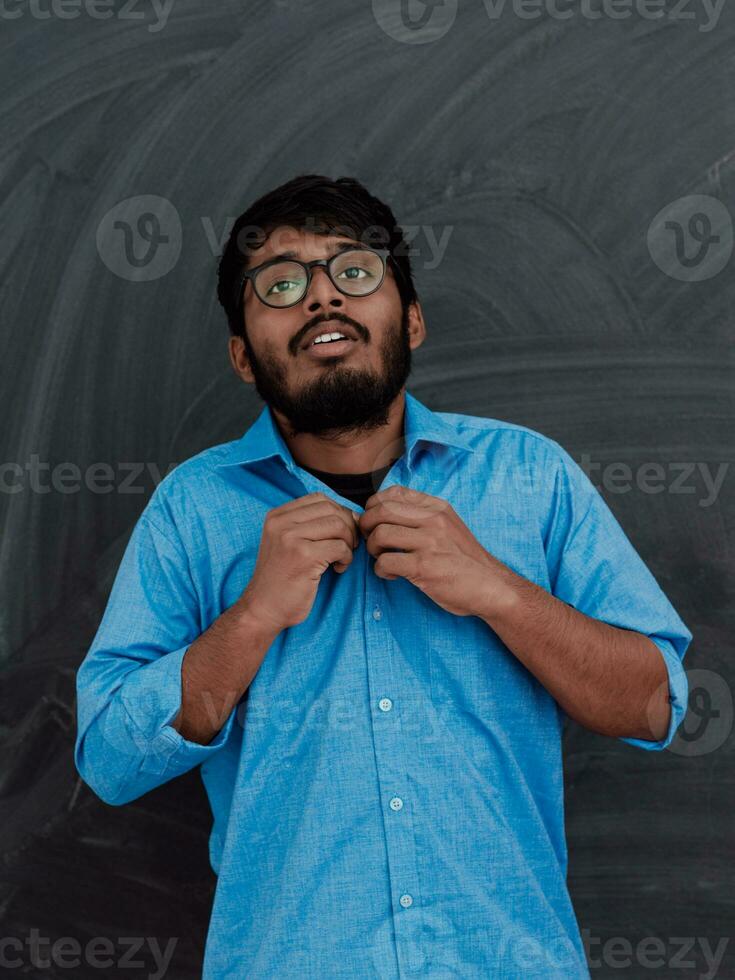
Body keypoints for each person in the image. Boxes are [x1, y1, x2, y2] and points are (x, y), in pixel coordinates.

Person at [74, 174, 693, 978]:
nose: (321, 299)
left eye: (353, 272)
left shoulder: (530, 476)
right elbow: (111, 763)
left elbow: (652, 704)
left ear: (410, 319)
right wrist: (252, 618)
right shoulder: (192, 508)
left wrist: (499, 592)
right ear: (240, 355)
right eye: (282, 284)